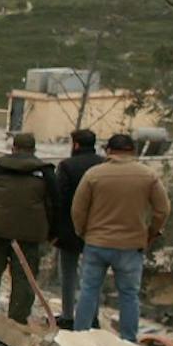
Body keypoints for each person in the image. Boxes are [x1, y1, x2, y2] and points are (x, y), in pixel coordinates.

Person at [70, 132, 170, 342]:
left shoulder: (93, 174)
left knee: (88, 291)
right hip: (131, 246)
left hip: (97, 243)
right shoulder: (148, 175)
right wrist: (151, 233)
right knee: (129, 295)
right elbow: (162, 210)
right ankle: (128, 341)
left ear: (108, 151)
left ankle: (79, 338)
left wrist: (83, 232)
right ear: (132, 151)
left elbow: (78, 210)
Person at [0, 131, 57, 322]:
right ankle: (17, 321)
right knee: (24, 278)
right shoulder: (45, 171)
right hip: (29, 233)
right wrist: (52, 233)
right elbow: (55, 201)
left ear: (14, 148)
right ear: (34, 150)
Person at [51, 127, 103, 327]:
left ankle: (67, 315)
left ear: (76, 145)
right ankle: (93, 317)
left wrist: (55, 231)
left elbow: (59, 199)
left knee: (68, 274)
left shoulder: (67, 166)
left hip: (69, 229)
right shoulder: (103, 165)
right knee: (92, 277)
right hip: (97, 229)